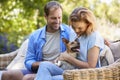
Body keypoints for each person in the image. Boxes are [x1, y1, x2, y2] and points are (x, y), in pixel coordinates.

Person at [0, 1, 76, 80]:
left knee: (28, 78)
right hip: (40, 68)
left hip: (59, 69)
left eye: (59, 17)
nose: (57, 21)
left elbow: (76, 56)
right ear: (45, 17)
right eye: (53, 18)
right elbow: (29, 60)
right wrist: (42, 64)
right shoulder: (35, 36)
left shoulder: (69, 33)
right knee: (7, 75)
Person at [34, 7, 105, 80]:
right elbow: (71, 50)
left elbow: (91, 66)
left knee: (52, 78)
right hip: (70, 70)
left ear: (88, 24)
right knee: (43, 65)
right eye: (74, 27)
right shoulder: (73, 32)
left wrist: (68, 58)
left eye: (80, 28)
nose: (76, 31)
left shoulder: (94, 37)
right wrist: (60, 57)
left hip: (85, 74)